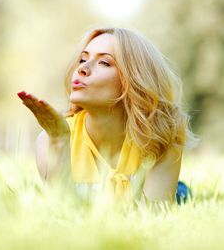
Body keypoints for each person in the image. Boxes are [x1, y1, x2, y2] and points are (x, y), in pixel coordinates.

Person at [17, 27, 195, 203]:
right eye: (82, 59)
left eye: (104, 62)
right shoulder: (48, 140)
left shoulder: (161, 138)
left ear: (133, 81)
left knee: (181, 194)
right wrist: (60, 140)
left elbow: (153, 217)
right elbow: (64, 212)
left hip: (171, 191)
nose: (83, 68)